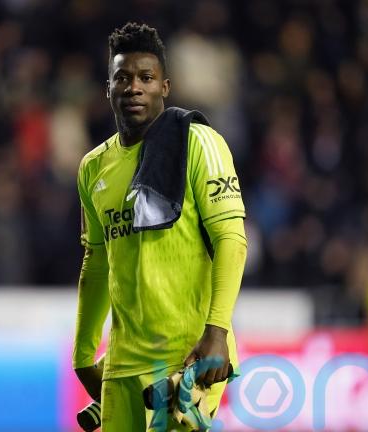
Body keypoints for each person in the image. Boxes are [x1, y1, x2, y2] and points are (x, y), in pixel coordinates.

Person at [73, 22, 247, 431]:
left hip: (185, 358)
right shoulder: (92, 168)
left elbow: (232, 240)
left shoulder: (199, 143)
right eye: (122, 78)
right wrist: (82, 355)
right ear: (108, 89)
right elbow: (96, 263)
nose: (134, 87)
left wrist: (217, 332)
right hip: (120, 367)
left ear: (165, 87)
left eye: (146, 78)